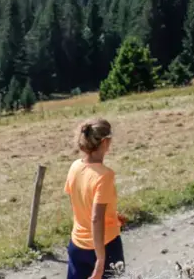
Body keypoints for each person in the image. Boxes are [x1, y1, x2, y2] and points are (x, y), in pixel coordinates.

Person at [65, 119, 126, 279]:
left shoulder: (75, 167)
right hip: (104, 246)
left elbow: (79, 204)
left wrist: (111, 214)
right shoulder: (105, 175)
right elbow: (96, 218)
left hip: (77, 245)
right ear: (105, 142)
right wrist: (100, 259)